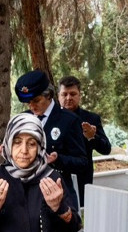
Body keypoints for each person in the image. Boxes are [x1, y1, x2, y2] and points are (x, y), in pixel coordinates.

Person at [14, 70, 88, 203]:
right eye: (28, 102)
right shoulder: (24, 119)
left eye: (36, 100)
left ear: (48, 95)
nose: (32, 106)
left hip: (59, 195)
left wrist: (57, 159)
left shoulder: (68, 120)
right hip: (29, 196)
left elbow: (82, 162)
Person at [59, 75, 111, 206]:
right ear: (58, 96)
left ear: (79, 95)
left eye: (73, 94)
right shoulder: (51, 119)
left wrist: (92, 137)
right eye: (64, 94)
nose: (68, 98)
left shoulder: (91, 119)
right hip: (56, 178)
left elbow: (106, 149)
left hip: (82, 179)